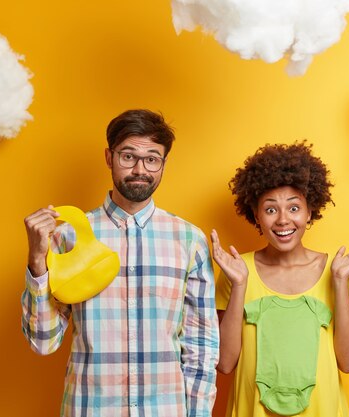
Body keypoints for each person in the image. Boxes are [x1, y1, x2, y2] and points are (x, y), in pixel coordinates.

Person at [21, 109, 219, 417]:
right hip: (91, 408)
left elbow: (201, 347)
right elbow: (43, 342)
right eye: (128, 156)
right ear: (109, 157)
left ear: (163, 163)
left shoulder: (189, 240)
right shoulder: (67, 236)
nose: (140, 169)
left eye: (152, 159)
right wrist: (37, 260)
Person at [211, 141, 349, 417]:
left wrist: (341, 281)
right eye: (271, 209)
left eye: (294, 208)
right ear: (256, 216)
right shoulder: (237, 271)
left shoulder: (336, 270)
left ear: (310, 211)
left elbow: (348, 362)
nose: (283, 220)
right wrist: (239, 285)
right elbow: (225, 363)